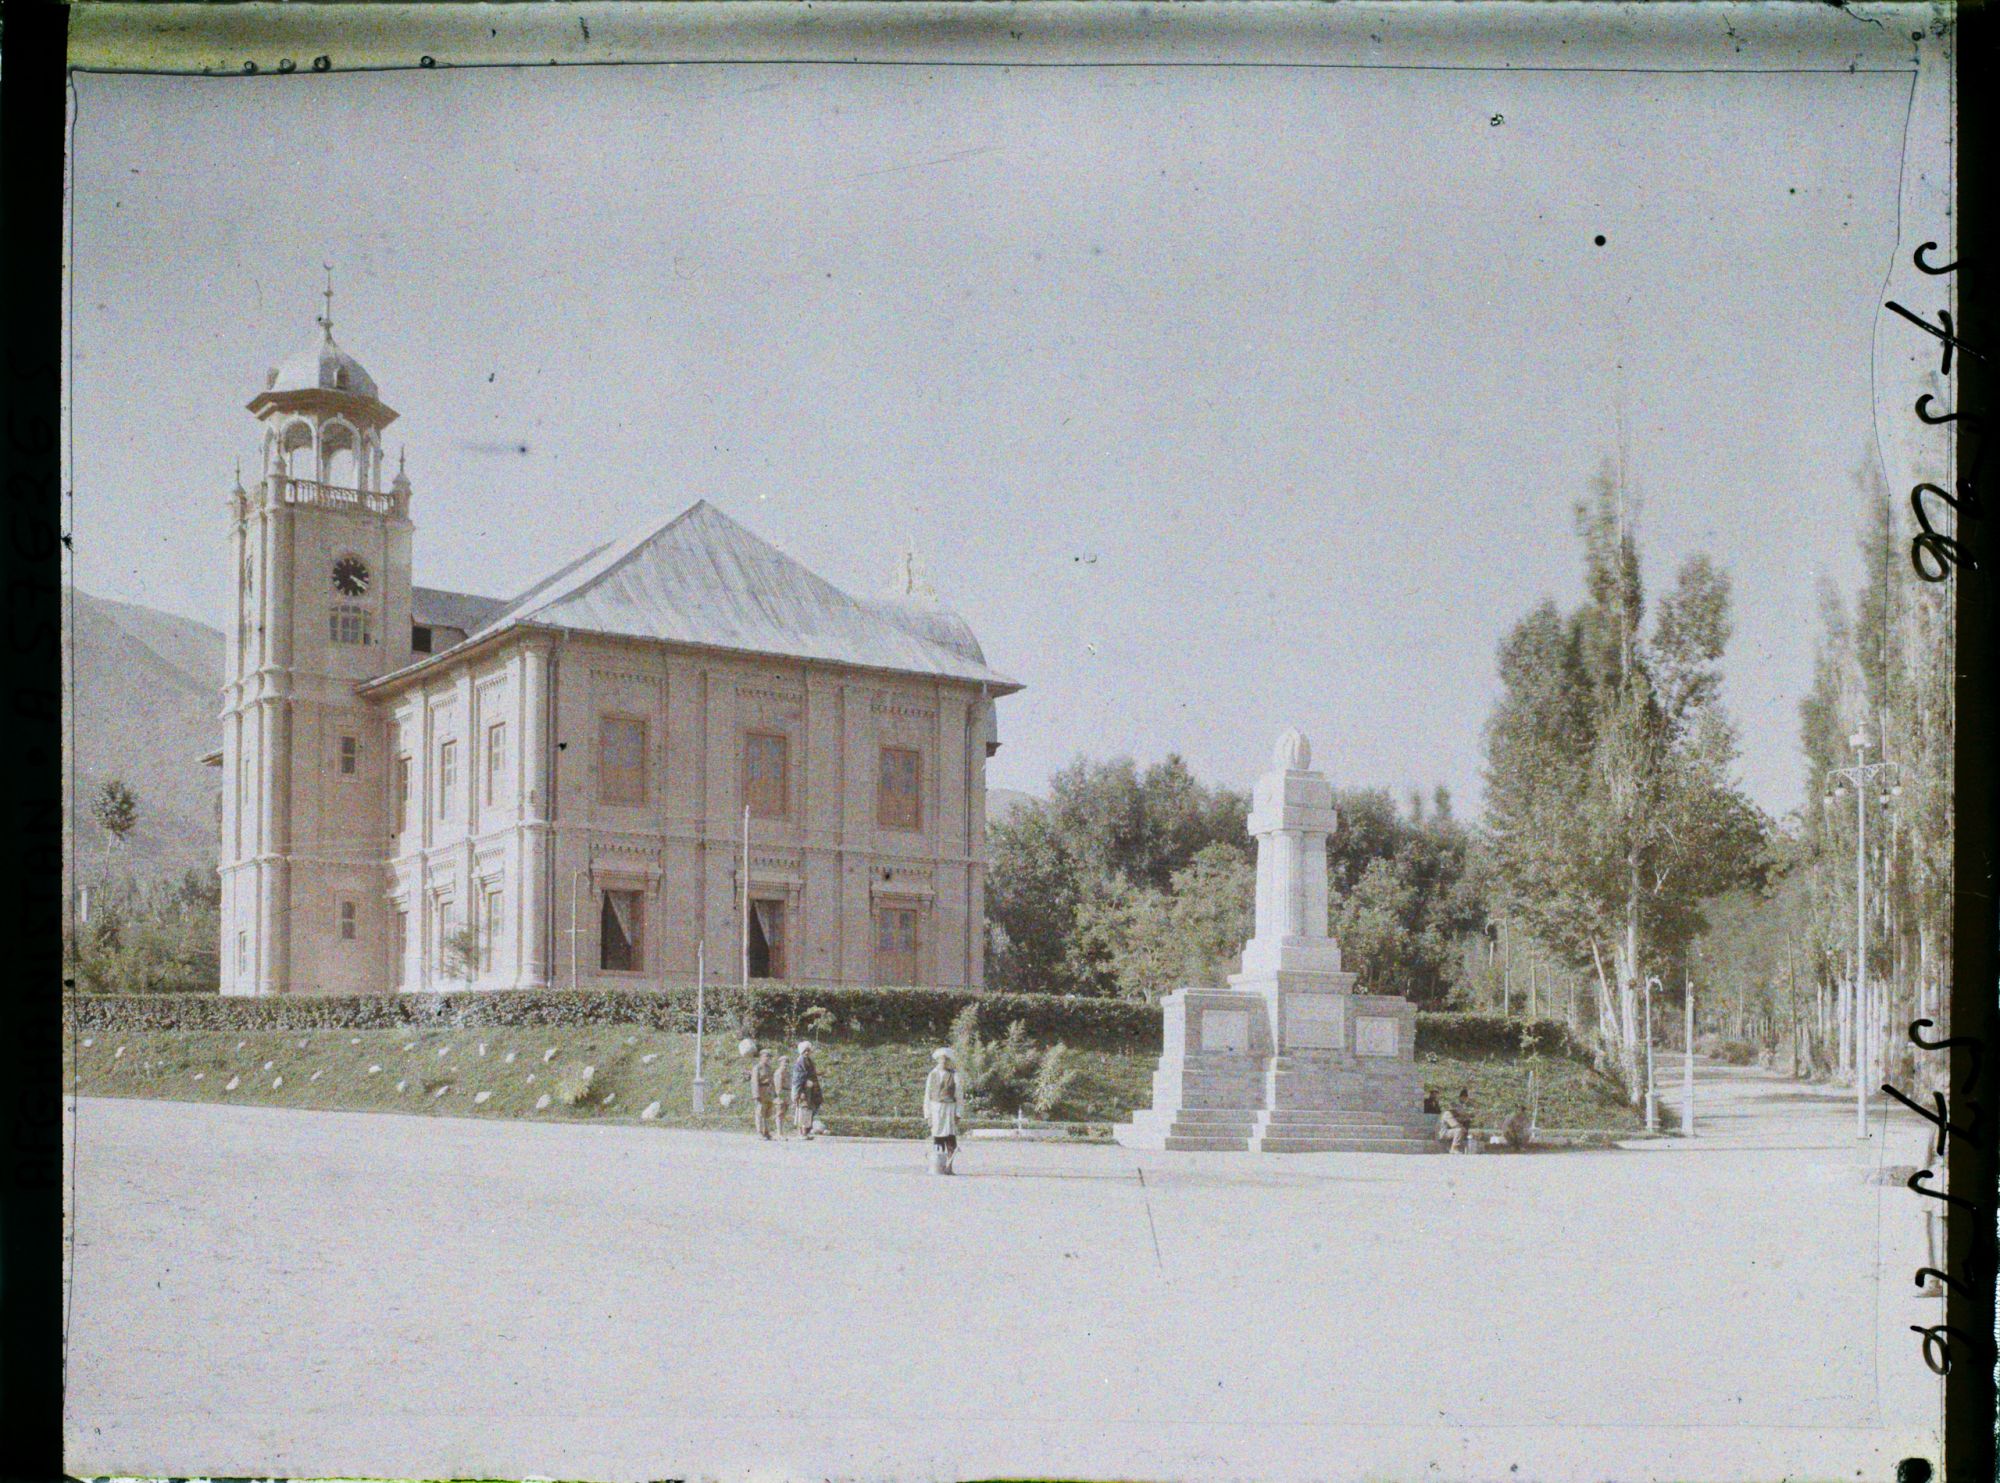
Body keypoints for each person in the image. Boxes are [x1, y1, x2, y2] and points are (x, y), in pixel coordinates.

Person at [923, 1047, 962, 1175]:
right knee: (937, 1137)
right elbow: (927, 1095)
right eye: (941, 1060)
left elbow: (959, 1096)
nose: (943, 1062)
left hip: (949, 1109)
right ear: (938, 1061)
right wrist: (927, 1115)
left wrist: (958, 1113)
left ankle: (949, 1166)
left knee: (950, 1137)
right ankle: (937, 1166)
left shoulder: (954, 1075)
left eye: (946, 1060)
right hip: (935, 1109)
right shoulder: (932, 1075)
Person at [793, 1040, 823, 1138]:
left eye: (808, 1050)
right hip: (803, 1089)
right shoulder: (800, 1061)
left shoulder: (809, 1061)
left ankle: (806, 1131)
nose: (807, 1052)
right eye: (805, 1051)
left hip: (810, 1090)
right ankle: (801, 1132)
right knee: (803, 1109)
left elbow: (811, 1073)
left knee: (809, 1110)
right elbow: (799, 1076)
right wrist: (800, 1091)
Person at [748, 1047, 776, 1139]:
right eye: (766, 1056)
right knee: (760, 1112)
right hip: (761, 1090)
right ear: (761, 1057)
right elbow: (754, 1081)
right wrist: (756, 1094)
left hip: (768, 1091)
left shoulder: (769, 1068)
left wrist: (774, 1092)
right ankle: (759, 1132)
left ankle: (766, 1131)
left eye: (769, 1056)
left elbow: (772, 1080)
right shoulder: (757, 1068)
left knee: (768, 1112)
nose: (767, 1058)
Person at [772, 1047, 795, 1140]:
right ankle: (779, 1133)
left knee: (783, 1113)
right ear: (780, 1063)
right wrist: (779, 1096)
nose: (786, 1064)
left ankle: (781, 1132)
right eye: (784, 1062)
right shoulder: (779, 1072)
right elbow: (777, 1086)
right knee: (779, 1113)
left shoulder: (788, 1073)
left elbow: (790, 1084)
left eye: (787, 1062)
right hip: (780, 1094)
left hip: (787, 1093)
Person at [1445, 1085, 1475, 1154]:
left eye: (1466, 1099)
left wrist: (1467, 1115)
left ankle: (1463, 1138)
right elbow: (1455, 1112)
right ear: (1461, 1097)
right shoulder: (1455, 1103)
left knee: (1467, 1121)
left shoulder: (1465, 1104)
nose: (1465, 1100)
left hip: (1460, 1120)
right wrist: (1463, 1115)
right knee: (1462, 1125)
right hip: (1452, 1121)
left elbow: (1467, 1113)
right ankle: (1455, 1145)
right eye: (1464, 1098)